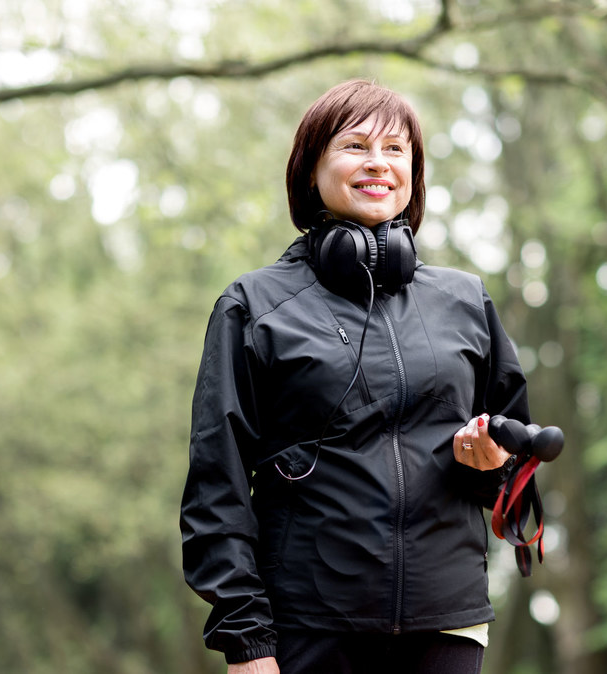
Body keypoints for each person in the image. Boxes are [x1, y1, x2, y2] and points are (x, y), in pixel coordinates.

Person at [179, 79, 530, 674]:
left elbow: (516, 473)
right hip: (306, 625)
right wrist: (247, 642)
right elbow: (218, 482)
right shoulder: (253, 306)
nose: (378, 163)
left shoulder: (466, 301)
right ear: (310, 171)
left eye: (396, 150)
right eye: (355, 146)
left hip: (447, 623)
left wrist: (494, 466)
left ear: (414, 173)